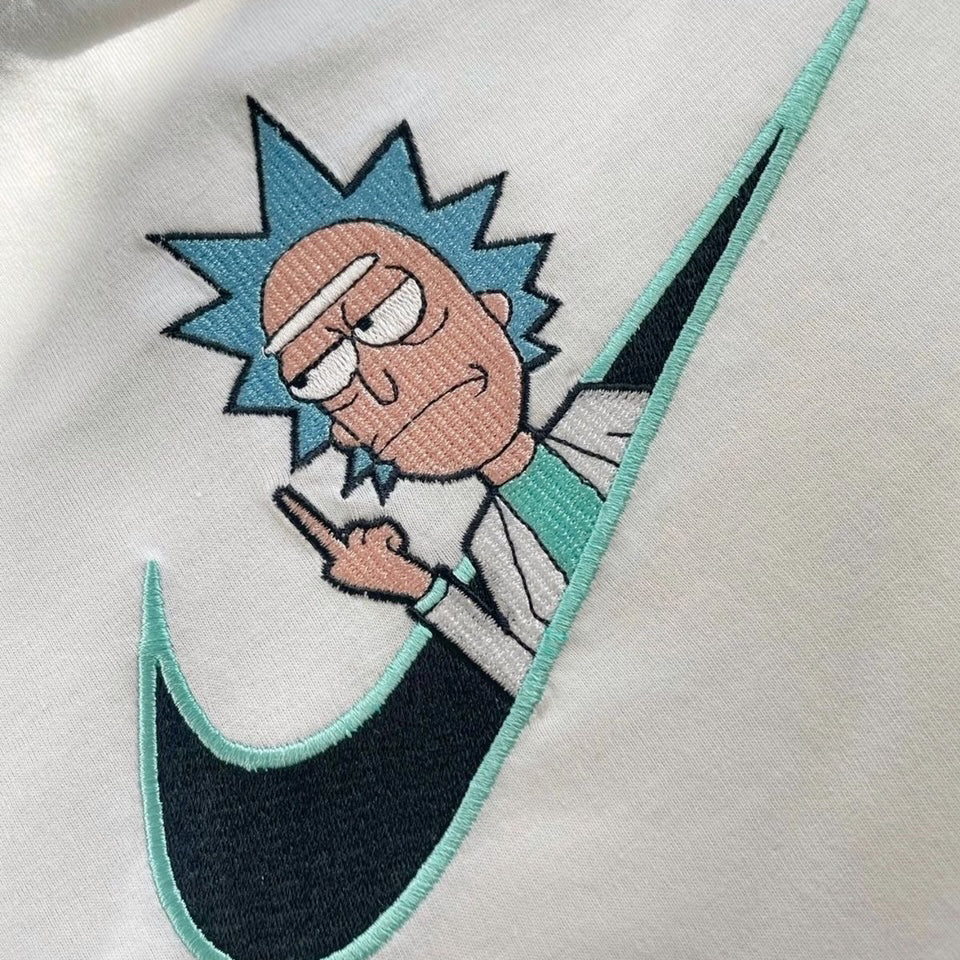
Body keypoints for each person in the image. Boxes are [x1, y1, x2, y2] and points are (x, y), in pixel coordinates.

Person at [270, 219, 648, 696]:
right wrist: (417, 587)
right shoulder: (493, 550)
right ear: (346, 434)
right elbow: (545, 683)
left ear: (492, 310)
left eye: (389, 311)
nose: (385, 382)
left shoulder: (632, 417)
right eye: (326, 374)